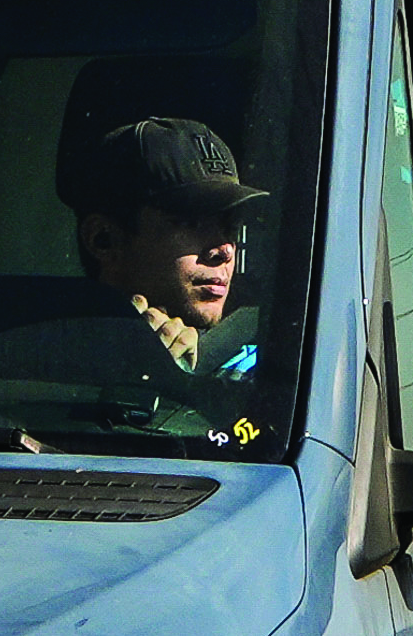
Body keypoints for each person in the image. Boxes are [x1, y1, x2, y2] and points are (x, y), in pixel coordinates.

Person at [47, 111, 275, 448]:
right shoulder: (36, 355)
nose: (225, 250)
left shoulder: (267, 358)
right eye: (191, 223)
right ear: (103, 239)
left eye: (229, 225)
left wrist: (194, 388)